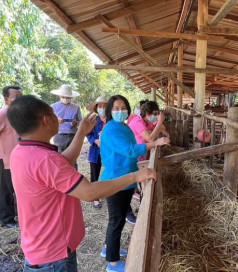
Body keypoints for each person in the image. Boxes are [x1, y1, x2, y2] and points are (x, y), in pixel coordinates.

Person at [7, 95, 156, 272]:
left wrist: (80, 133)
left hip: (40, 247)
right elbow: (89, 193)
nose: (58, 118)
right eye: (54, 114)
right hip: (55, 255)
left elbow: (63, 161)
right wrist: (134, 176)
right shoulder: (45, 160)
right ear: (46, 120)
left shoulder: (22, 152)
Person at [100, 95, 169, 272]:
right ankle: (112, 263)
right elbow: (130, 150)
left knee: (120, 218)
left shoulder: (122, 126)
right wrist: (154, 144)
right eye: (116, 108)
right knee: (116, 221)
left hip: (127, 177)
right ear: (109, 110)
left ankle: (109, 249)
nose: (120, 111)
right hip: (116, 180)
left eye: (123, 108)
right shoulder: (111, 129)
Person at [0, 86, 22, 228]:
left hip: (20, 159)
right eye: (16, 96)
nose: (20, 99)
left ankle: (18, 214)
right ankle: (6, 219)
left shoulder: (21, 114)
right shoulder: (3, 114)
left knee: (19, 188)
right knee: (6, 190)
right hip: (6, 159)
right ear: (7, 99)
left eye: (21, 95)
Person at [50, 84, 82, 168]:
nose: (65, 99)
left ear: (71, 97)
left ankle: (74, 179)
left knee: (73, 160)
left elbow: (80, 121)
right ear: (60, 96)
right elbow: (48, 122)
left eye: (68, 97)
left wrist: (76, 122)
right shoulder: (53, 107)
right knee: (59, 160)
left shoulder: (76, 107)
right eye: (64, 96)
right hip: (59, 135)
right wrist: (56, 121)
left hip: (72, 136)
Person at [86, 96, 108, 208]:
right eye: (100, 106)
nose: (102, 108)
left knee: (110, 172)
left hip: (109, 151)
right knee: (95, 174)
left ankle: (110, 192)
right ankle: (95, 198)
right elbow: (87, 133)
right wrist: (95, 140)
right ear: (96, 108)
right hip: (95, 151)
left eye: (105, 106)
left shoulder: (112, 120)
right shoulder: (93, 120)